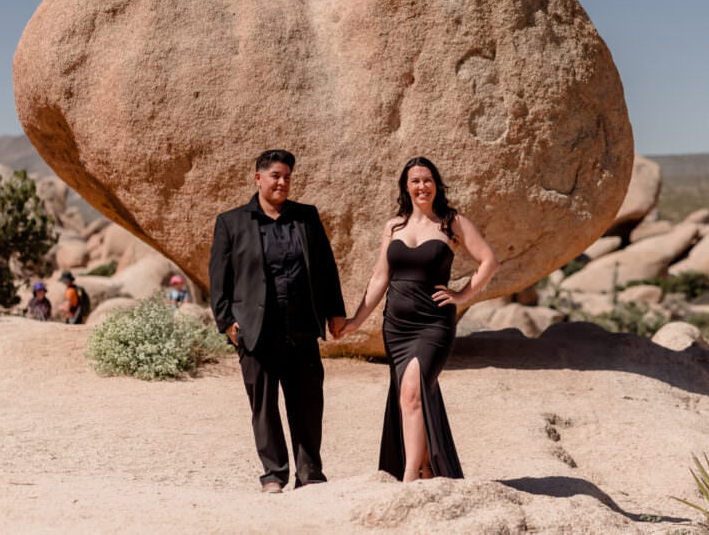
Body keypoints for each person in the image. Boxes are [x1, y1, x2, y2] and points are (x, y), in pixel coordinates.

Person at [343, 157, 498, 482]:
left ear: (436, 184)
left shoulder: (451, 222)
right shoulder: (394, 227)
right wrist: (356, 320)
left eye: (427, 180)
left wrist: (462, 295)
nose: (422, 186)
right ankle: (426, 467)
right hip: (397, 327)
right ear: (406, 186)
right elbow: (380, 278)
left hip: (433, 325)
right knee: (412, 395)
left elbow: (488, 261)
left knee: (412, 391)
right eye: (415, 181)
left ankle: (409, 475)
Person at [209, 149, 347, 493]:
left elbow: (326, 267)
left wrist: (335, 312)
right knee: (264, 407)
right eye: (275, 176)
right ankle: (274, 474)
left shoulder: (306, 217)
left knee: (308, 404)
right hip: (256, 331)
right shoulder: (231, 222)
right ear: (258, 178)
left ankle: (310, 474)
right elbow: (219, 278)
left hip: (301, 328)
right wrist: (227, 322)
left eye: (287, 176)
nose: (282, 182)